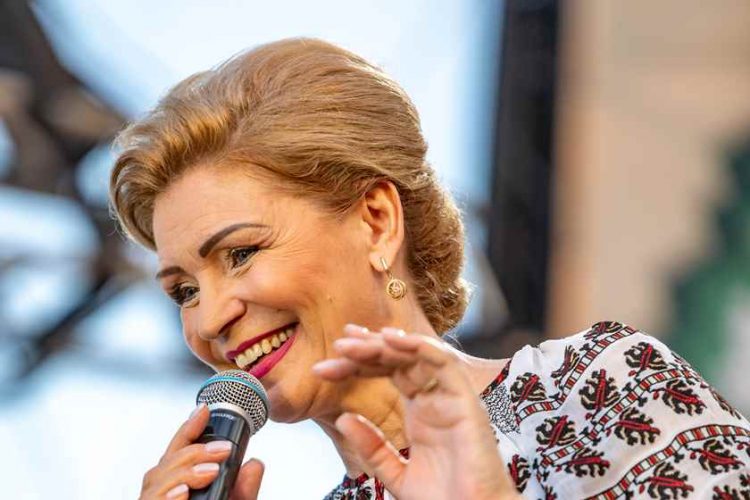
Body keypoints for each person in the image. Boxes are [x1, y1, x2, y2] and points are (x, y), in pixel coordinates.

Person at [109, 38, 750, 499]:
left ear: (376, 221)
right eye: (184, 291)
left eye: (241, 253)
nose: (210, 320)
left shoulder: (598, 389)